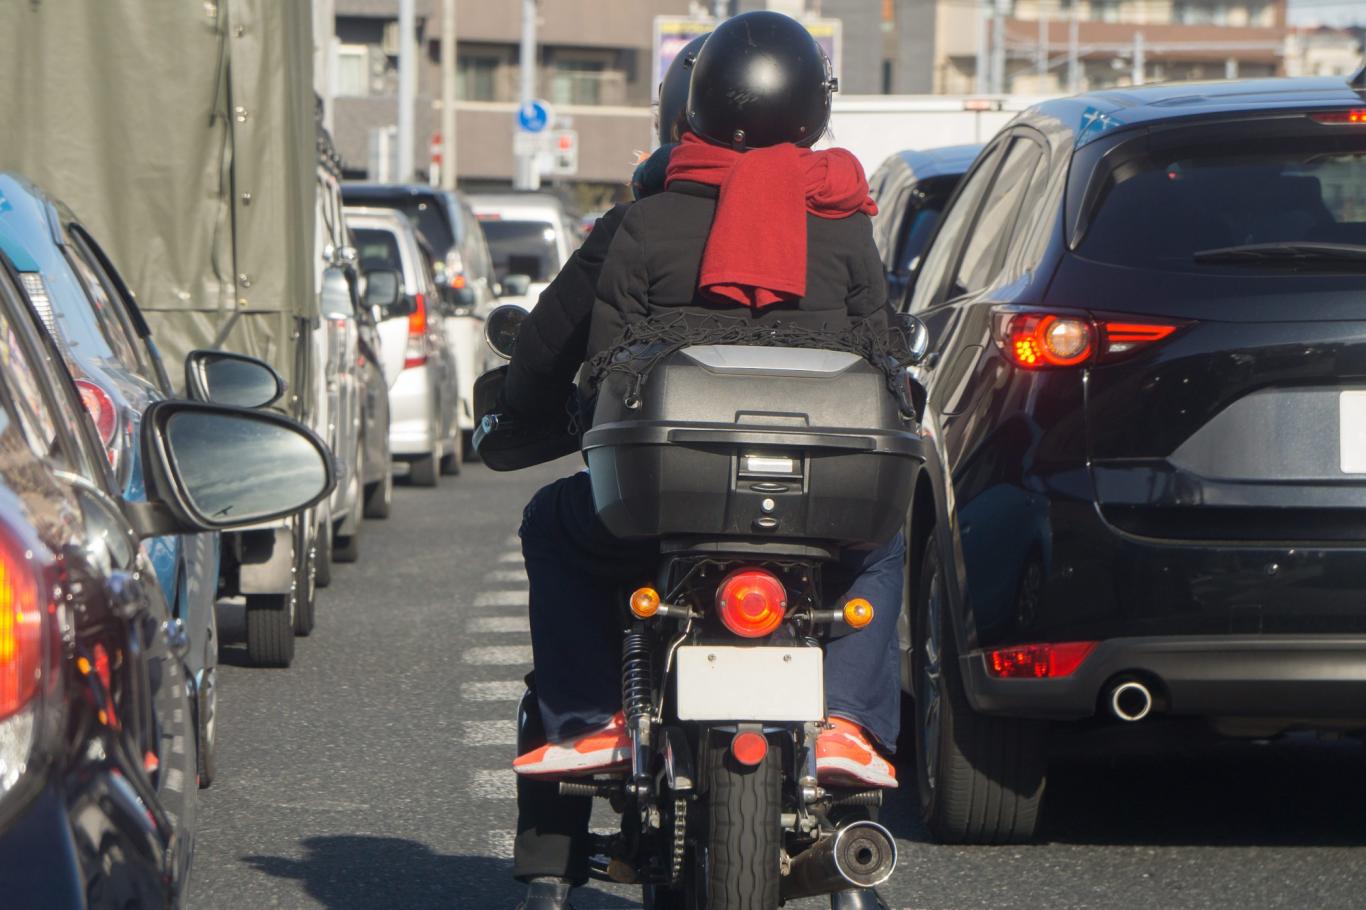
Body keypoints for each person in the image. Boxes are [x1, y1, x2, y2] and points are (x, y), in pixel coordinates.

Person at [505, 15, 900, 910]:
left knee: (551, 524)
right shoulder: (845, 227)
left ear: (696, 103)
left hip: (663, 503)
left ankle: (585, 716)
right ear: (811, 108)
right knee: (882, 541)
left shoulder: (645, 221)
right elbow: (884, 356)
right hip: (818, 510)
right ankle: (850, 724)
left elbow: (604, 363)